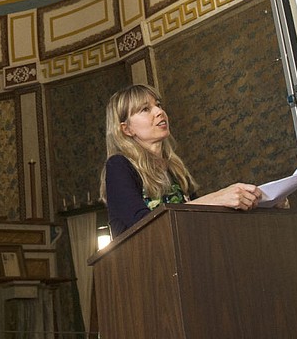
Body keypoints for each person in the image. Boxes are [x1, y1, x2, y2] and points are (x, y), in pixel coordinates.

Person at [100, 84, 265, 237]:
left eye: (158, 105)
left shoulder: (174, 167)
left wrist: (250, 204)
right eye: (145, 109)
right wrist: (217, 198)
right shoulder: (118, 165)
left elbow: (199, 220)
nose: (159, 111)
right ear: (127, 129)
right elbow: (143, 225)